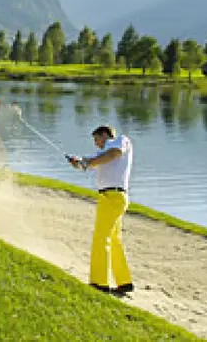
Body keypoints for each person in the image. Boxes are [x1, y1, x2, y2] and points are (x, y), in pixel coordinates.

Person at [68, 125, 134, 296]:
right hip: (109, 197)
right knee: (113, 239)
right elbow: (89, 163)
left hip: (114, 196)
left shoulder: (121, 141)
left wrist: (89, 162)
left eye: (96, 139)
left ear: (105, 135)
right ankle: (124, 282)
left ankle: (99, 283)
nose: (96, 143)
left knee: (101, 238)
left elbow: (113, 154)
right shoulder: (101, 154)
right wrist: (78, 162)